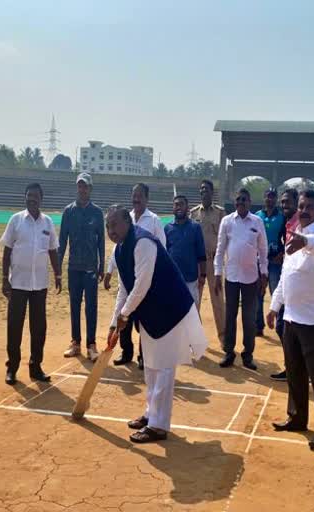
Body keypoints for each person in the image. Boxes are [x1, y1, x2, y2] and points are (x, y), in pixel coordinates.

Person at [107, 206, 208, 443]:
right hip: (151, 313)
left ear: (127, 222)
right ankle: (151, 414)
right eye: (107, 226)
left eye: (114, 224)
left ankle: (159, 426)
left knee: (163, 368)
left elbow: (141, 284)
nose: (110, 230)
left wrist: (124, 316)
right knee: (151, 366)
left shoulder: (143, 243)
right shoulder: (119, 249)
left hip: (169, 309)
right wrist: (114, 323)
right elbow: (125, 288)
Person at [267, 190, 314, 450]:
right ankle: (297, 417)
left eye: (309, 206)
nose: (304, 210)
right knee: (294, 372)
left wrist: (304, 241)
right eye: (301, 206)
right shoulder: (294, 234)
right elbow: (286, 275)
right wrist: (275, 306)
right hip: (292, 317)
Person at [0, 183, 62, 385]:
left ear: (41, 199)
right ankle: (12, 368)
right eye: (28, 196)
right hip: (18, 283)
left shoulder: (47, 223)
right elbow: (7, 250)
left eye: (35, 196)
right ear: (25, 198)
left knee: (39, 329)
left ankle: (36, 367)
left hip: (40, 285)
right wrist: (4, 279)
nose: (31, 199)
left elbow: (53, 250)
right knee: (14, 327)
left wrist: (58, 274)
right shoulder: (16, 220)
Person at [104, 183, 166, 368]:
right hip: (128, 276)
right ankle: (126, 352)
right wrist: (109, 270)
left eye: (140, 195)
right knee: (125, 313)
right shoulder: (124, 217)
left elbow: (161, 248)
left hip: (146, 279)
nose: (136, 199)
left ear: (147, 198)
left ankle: (143, 356)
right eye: (134, 195)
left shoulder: (154, 221)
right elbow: (117, 250)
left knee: (144, 321)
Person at [214, 188, 268, 370]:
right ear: (234, 202)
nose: (240, 203)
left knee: (249, 317)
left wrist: (264, 272)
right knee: (230, 315)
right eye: (238, 200)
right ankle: (229, 352)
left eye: (244, 200)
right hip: (231, 276)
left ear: (250, 202)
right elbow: (220, 249)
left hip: (251, 277)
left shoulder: (257, 222)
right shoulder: (227, 221)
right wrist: (217, 273)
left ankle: (248, 354)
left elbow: (263, 250)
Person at [58, 173, 104, 362]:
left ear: (90, 189)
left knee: (91, 306)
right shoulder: (68, 212)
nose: (82, 189)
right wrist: (58, 269)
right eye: (79, 186)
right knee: (75, 305)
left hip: (91, 268)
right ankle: (75, 342)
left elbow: (101, 239)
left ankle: (91, 344)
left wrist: (101, 265)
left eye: (85, 186)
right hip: (74, 267)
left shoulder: (97, 212)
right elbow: (62, 241)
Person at [189, 179, 226, 341]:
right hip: (197, 263)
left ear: (212, 192)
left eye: (206, 189)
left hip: (213, 262)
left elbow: (225, 238)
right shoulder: (193, 213)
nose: (203, 192)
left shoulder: (220, 213)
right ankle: (195, 338)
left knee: (218, 300)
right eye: (201, 189)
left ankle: (224, 338)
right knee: (195, 300)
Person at [269, 188, 299, 382]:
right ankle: (292, 367)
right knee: (283, 328)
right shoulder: (288, 223)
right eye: (282, 202)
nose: (284, 205)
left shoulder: (300, 225)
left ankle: (297, 369)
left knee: (288, 329)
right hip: (287, 282)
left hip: (297, 288)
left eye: (287, 201)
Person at [164, 195, 206, 306]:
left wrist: (203, 275)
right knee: (174, 313)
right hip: (173, 279)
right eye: (176, 204)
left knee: (192, 313)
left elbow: (201, 253)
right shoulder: (167, 228)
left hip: (191, 279)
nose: (179, 207)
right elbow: (165, 254)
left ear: (187, 208)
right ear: (173, 208)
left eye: (181, 204)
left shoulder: (195, 227)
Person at [255, 188, 285, 337]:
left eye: (273, 197)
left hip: (275, 260)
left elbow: (287, 238)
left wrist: (282, 253)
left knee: (276, 292)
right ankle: (258, 326)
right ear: (264, 198)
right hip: (259, 260)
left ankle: (280, 325)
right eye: (267, 197)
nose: (270, 200)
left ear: (276, 199)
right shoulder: (257, 216)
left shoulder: (282, 217)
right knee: (258, 292)